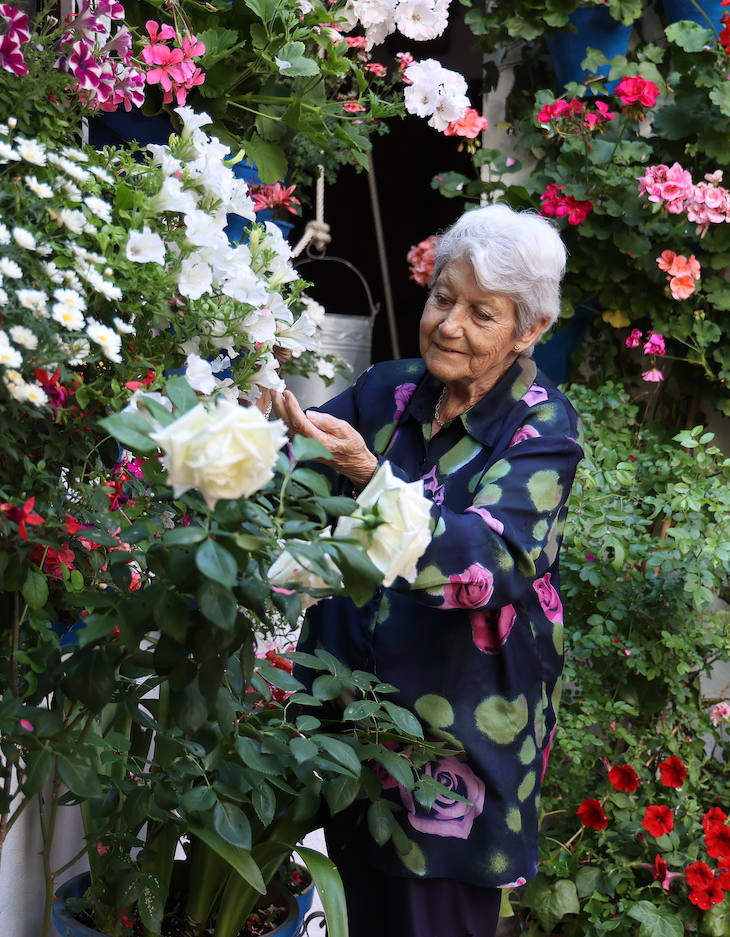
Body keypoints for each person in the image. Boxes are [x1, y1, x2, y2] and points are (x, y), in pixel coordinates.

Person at [269, 204, 584, 937]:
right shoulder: (389, 391)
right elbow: (294, 480)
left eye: (482, 313)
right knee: (357, 911)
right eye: (444, 297)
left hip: (456, 742)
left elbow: (488, 563)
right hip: (349, 718)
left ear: (529, 330)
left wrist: (370, 479)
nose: (449, 325)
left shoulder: (541, 426)